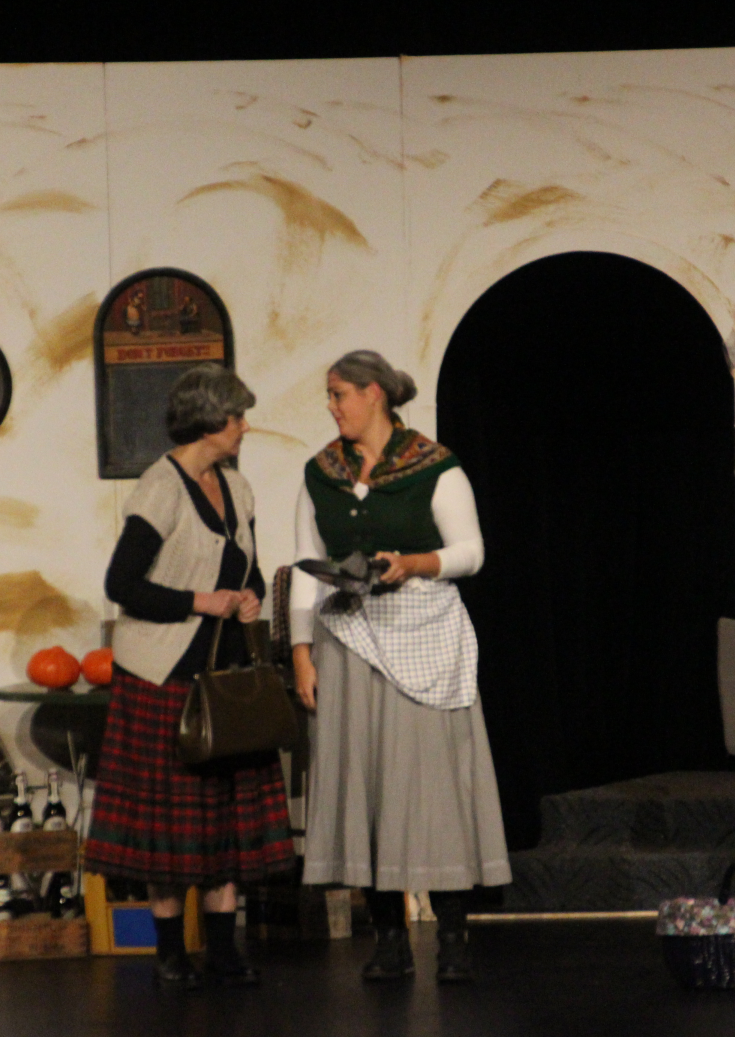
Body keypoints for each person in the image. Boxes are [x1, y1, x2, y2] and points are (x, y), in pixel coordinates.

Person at [290, 350, 510, 984]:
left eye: (339, 394)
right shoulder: (321, 473)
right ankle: (388, 938)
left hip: (423, 632)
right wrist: (301, 652)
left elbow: (472, 552)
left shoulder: (434, 466)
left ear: (374, 394)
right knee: (364, 786)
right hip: (347, 638)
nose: (331, 406)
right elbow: (305, 566)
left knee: (435, 785)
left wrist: (414, 563)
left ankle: (453, 936)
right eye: (330, 395)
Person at [84, 363, 294, 988]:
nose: (244, 427)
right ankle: (172, 953)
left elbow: (248, 570)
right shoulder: (160, 489)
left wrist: (250, 597)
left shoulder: (238, 488)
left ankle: (225, 952)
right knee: (167, 831)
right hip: (162, 678)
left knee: (225, 823)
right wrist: (202, 601)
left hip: (223, 676)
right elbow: (123, 586)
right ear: (209, 421)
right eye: (237, 417)